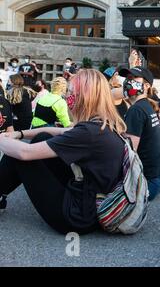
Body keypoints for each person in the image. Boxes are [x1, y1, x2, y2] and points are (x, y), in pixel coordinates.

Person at [0, 69, 126, 234]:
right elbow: (60, 132)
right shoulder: (103, 125)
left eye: (71, 92)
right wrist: (20, 133)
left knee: (18, 154)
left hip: (75, 217)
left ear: (85, 96)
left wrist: (2, 138)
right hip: (92, 205)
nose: (67, 96)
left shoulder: (89, 133)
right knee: (42, 137)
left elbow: (25, 153)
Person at [119, 66, 160, 201]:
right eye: (127, 78)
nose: (128, 81)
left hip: (146, 183)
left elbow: (129, 152)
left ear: (146, 86)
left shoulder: (136, 110)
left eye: (133, 78)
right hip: (157, 177)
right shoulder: (146, 106)